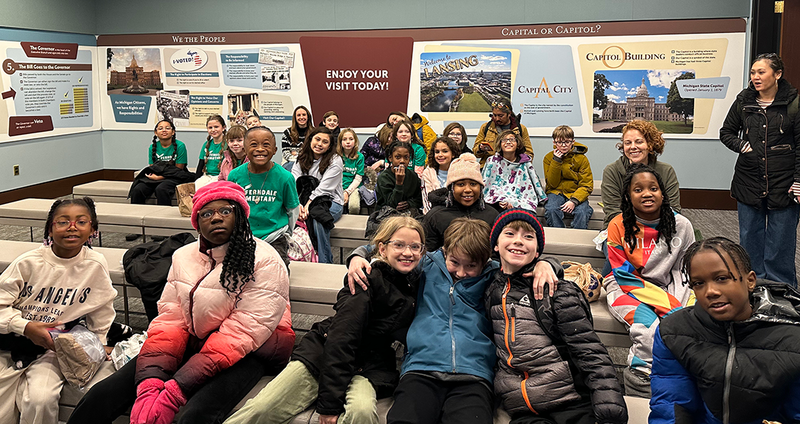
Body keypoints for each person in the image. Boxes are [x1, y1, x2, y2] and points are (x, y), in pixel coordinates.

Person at [67, 181, 294, 424]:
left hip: (253, 348)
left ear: (240, 215)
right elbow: (170, 318)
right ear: (197, 222)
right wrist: (150, 383)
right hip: (194, 337)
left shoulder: (265, 259)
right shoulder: (183, 256)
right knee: (101, 396)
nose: (216, 218)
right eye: (207, 213)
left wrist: (176, 390)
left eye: (225, 211)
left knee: (193, 415)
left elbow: (243, 332)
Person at [345, 218, 561, 424]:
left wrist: (545, 264)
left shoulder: (494, 275)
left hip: (473, 375)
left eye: (471, 266)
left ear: (485, 259)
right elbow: (386, 248)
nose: (461, 272)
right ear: (445, 251)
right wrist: (357, 256)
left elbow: (529, 264)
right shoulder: (427, 265)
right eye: (454, 262)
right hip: (422, 368)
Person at [224, 216, 425, 424]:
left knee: (362, 412)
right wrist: (330, 404)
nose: (408, 252)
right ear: (382, 249)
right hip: (324, 353)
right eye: (399, 245)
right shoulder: (365, 279)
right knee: (261, 409)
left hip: (370, 364)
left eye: (415, 247)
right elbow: (341, 339)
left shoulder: (413, 283)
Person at [485, 209, 627, 424]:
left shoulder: (557, 291)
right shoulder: (490, 288)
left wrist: (609, 406)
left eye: (528, 236)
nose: (519, 241)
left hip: (569, 401)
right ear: (495, 245)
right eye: (510, 233)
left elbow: (589, 351)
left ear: (537, 252)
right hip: (523, 407)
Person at [650, 237, 800, 423]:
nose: (710, 291)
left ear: (750, 281)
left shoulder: (793, 337)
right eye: (698, 283)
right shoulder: (675, 332)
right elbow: (672, 406)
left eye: (722, 279)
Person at [0, 197, 117, 424]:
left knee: (41, 399)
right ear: (50, 230)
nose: (72, 227)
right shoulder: (28, 263)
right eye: (63, 222)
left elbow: (102, 308)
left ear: (93, 229)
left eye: (81, 222)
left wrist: (99, 342)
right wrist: (25, 327)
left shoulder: (95, 263)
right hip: (10, 340)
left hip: (54, 347)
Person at [603, 163, 695, 398]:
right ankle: (641, 381)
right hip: (624, 285)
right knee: (649, 327)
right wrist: (669, 306)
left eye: (653, 188)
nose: (646, 193)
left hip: (670, 282)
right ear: (627, 196)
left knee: (690, 322)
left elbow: (688, 269)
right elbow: (623, 275)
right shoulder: (617, 225)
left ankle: (680, 376)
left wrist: (677, 303)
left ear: (662, 193)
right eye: (638, 189)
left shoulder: (681, 225)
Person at [719, 52, 800, 287]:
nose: (755, 77)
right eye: (753, 72)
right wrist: (742, 146)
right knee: (750, 240)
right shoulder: (744, 101)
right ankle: (753, 289)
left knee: (780, 244)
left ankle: (781, 292)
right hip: (748, 182)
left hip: (784, 185)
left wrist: (798, 181)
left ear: (777, 74)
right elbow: (726, 132)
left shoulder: (794, 104)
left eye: (761, 72)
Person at [600, 119, 681, 275]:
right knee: (620, 257)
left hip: (659, 230)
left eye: (639, 141)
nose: (633, 147)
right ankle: (611, 290)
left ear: (650, 144)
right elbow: (612, 213)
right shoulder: (612, 171)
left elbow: (674, 210)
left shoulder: (666, 171)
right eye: (627, 143)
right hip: (620, 229)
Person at [227, 126, 300, 268]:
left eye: (266, 145)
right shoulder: (234, 176)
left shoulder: (285, 177)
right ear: (245, 149)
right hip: (243, 236)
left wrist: (286, 233)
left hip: (274, 237)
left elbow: (292, 210)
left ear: (275, 150)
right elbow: (231, 208)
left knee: (277, 273)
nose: (260, 149)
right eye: (253, 145)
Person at [126, 119, 192, 241]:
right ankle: (135, 227)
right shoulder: (152, 147)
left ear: (173, 132)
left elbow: (178, 169)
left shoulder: (180, 146)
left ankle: (162, 227)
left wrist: (160, 178)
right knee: (138, 189)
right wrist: (155, 177)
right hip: (156, 176)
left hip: (175, 176)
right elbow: (153, 167)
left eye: (167, 128)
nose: (164, 130)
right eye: (160, 128)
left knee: (161, 189)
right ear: (156, 133)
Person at [423, 153, 497, 252]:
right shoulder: (435, 216)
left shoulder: (493, 215)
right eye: (461, 184)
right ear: (451, 188)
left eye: (473, 184)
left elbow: (497, 253)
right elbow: (428, 254)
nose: (467, 189)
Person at [292, 127, 344, 264]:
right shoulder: (302, 157)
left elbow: (324, 189)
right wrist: (298, 206)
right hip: (303, 201)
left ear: (330, 146)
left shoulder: (335, 161)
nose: (320, 144)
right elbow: (294, 182)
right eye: (317, 139)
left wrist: (307, 207)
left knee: (318, 218)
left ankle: (325, 262)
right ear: (310, 140)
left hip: (332, 202)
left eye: (325, 142)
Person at [542, 125, 594, 229]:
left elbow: (586, 185)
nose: (564, 145)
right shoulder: (548, 158)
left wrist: (574, 201)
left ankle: (577, 237)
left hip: (576, 192)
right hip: (556, 192)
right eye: (560, 142)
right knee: (551, 209)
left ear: (573, 142)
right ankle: (559, 235)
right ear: (554, 143)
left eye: (567, 142)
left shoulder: (581, 159)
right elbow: (552, 184)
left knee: (582, 212)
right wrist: (556, 161)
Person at [481, 130, 547, 212]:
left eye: (511, 140)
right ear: (500, 144)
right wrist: (500, 201)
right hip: (497, 202)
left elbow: (533, 184)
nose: (508, 142)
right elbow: (485, 186)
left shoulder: (525, 163)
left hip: (521, 201)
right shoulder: (492, 161)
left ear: (518, 144)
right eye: (504, 140)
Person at [472, 102, 532, 168]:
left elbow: (529, 153)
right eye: (494, 115)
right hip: (489, 168)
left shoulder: (520, 129)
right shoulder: (486, 127)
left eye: (501, 116)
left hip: (514, 168)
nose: (497, 119)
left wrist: (519, 166)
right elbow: (475, 152)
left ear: (509, 114)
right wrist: (480, 148)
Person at [376, 141, 423, 214]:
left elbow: (419, 199)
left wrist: (409, 204)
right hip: (386, 214)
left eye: (406, 157)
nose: (402, 161)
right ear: (391, 158)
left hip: (409, 212)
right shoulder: (384, 177)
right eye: (398, 157)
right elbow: (392, 204)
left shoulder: (413, 176)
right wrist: (399, 183)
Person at [420, 136, 461, 213]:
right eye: (437, 152)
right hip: (434, 214)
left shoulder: (460, 171)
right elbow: (427, 200)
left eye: (445, 151)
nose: (440, 155)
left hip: (457, 213)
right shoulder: (428, 173)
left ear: (453, 154)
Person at [195, 114, 228, 189]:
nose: (213, 130)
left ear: (223, 128)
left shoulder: (228, 144)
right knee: (198, 184)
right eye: (210, 127)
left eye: (216, 127)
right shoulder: (206, 145)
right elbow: (200, 165)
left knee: (209, 188)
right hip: (208, 176)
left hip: (222, 178)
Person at [339, 128, 365, 215]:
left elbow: (358, 178)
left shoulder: (359, 157)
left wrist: (347, 192)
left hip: (353, 188)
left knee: (354, 206)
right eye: (344, 139)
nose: (348, 142)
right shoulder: (336, 156)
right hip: (337, 186)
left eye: (351, 139)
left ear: (355, 141)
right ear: (340, 142)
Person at [281, 106, 312, 170]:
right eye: (298, 115)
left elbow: (313, 152)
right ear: (295, 118)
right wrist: (297, 160)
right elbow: (285, 152)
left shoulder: (314, 133)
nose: (301, 117)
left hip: (309, 161)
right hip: (290, 161)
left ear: (308, 116)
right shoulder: (287, 133)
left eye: (304, 115)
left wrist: (296, 153)